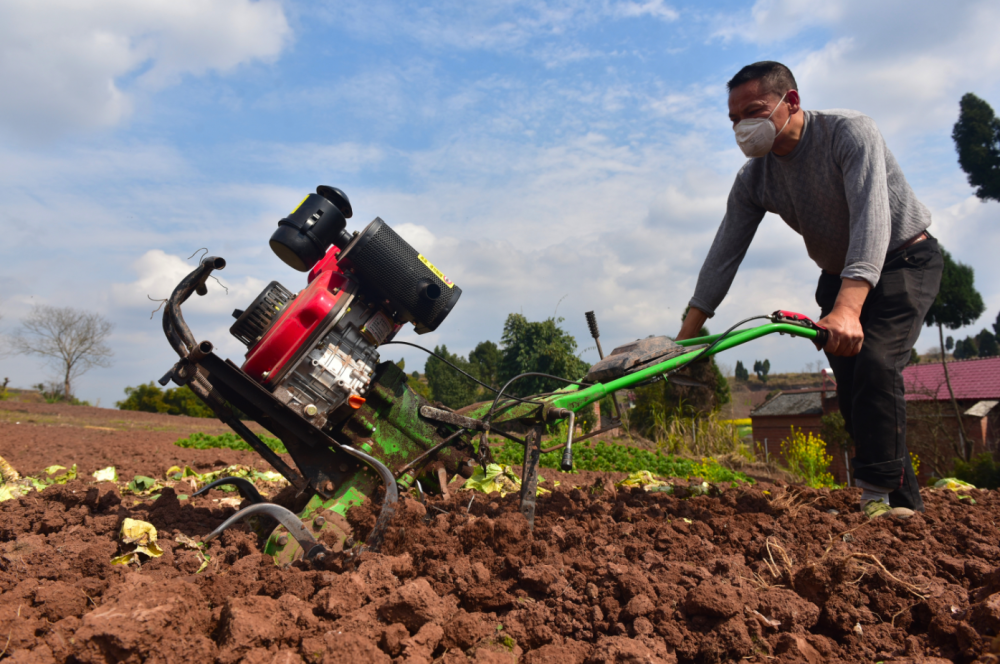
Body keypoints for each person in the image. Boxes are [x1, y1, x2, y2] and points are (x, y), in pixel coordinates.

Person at [676, 61, 942, 518]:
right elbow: (724, 253)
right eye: (734, 120)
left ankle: (875, 502)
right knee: (857, 389)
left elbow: (871, 222)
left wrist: (848, 310)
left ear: (791, 101)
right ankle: (903, 511)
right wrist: (685, 338)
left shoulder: (849, 133)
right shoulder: (755, 178)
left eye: (754, 111)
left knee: (877, 364)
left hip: (903, 260)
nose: (743, 127)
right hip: (837, 277)